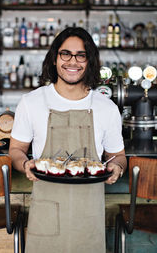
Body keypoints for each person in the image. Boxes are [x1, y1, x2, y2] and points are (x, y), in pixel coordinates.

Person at [9, 27, 126, 253]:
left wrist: (117, 167)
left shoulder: (106, 108)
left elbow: (119, 157)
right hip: (46, 214)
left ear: (89, 61)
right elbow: (15, 149)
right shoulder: (31, 102)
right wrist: (24, 164)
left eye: (81, 55)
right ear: (54, 58)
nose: (73, 62)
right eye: (66, 54)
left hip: (89, 216)